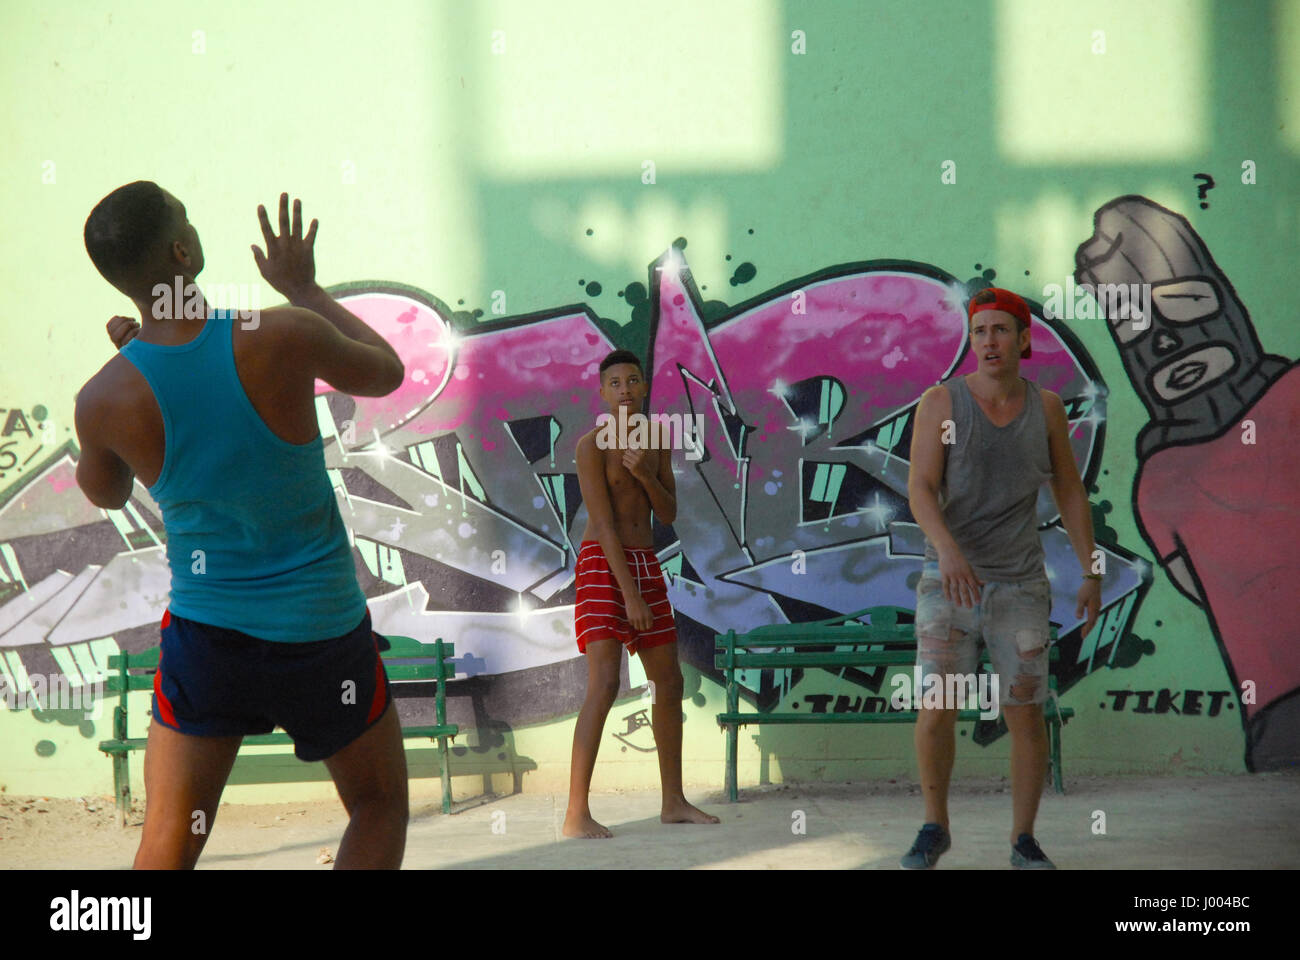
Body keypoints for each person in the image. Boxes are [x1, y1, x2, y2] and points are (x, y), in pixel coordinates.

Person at [76, 183, 409, 868]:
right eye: (187, 221)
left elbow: (105, 492)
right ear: (185, 250)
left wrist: (130, 373)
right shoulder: (283, 333)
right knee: (377, 807)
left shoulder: (104, 396)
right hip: (322, 635)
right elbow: (386, 372)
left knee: (170, 837)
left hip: (207, 642)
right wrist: (306, 289)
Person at [902, 287, 1100, 869]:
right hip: (949, 580)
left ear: (1023, 339)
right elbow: (919, 487)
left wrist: (1091, 571)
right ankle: (934, 827)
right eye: (980, 331)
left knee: (1025, 710)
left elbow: (1069, 489)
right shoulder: (941, 404)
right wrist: (948, 552)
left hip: (1018, 585)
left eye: (1001, 330)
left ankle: (1023, 839)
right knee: (938, 705)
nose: (989, 341)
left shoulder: (1045, 409)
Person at [562, 350, 720, 838]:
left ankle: (672, 801)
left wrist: (646, 475)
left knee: (669, 682)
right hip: (601, 563)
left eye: (633, 380)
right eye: (615, 383)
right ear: (603, 393)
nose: (625, 389)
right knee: (605, 682)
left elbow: (667, 513)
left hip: (645, 561)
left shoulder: (657, 441)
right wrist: (629, 595)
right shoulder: (590, 446)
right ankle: (575, 814)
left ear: (645, 387)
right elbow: (604, 523)